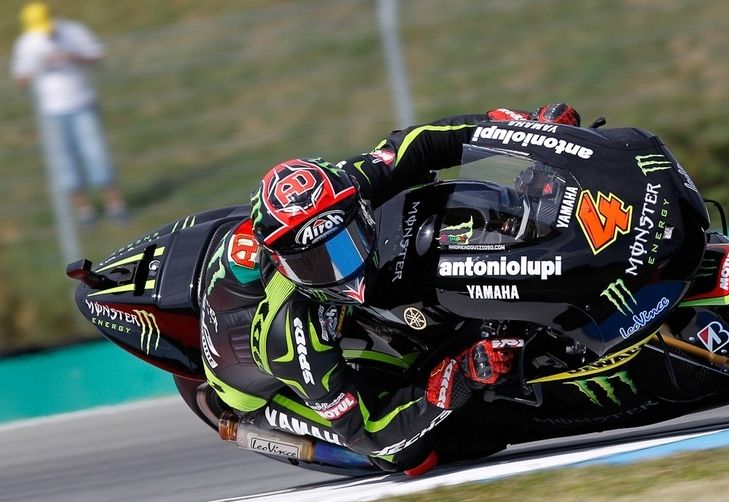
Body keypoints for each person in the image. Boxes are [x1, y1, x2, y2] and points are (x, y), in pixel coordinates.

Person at [200, 103, 581, 475]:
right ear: (284, 264)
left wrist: (526, 129)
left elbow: (420, 143)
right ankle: (261, 425)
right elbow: (370, 433)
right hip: (256, 384)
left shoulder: (349, 184)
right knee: (407, 456)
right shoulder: (290, 335)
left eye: (344, 245)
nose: (339, 272)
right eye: (314, 264)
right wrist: (461, 375)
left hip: (267, 284)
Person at [10, 2, 126, 223]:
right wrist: (39, 66)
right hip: (51, 112)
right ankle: (85, 212)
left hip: (82, 103)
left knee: (97, 154)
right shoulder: (26, 43)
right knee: (65, 163)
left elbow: (97, 56)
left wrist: (73, 57)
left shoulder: (73, 30)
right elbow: (22, 80)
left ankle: (116, 206)